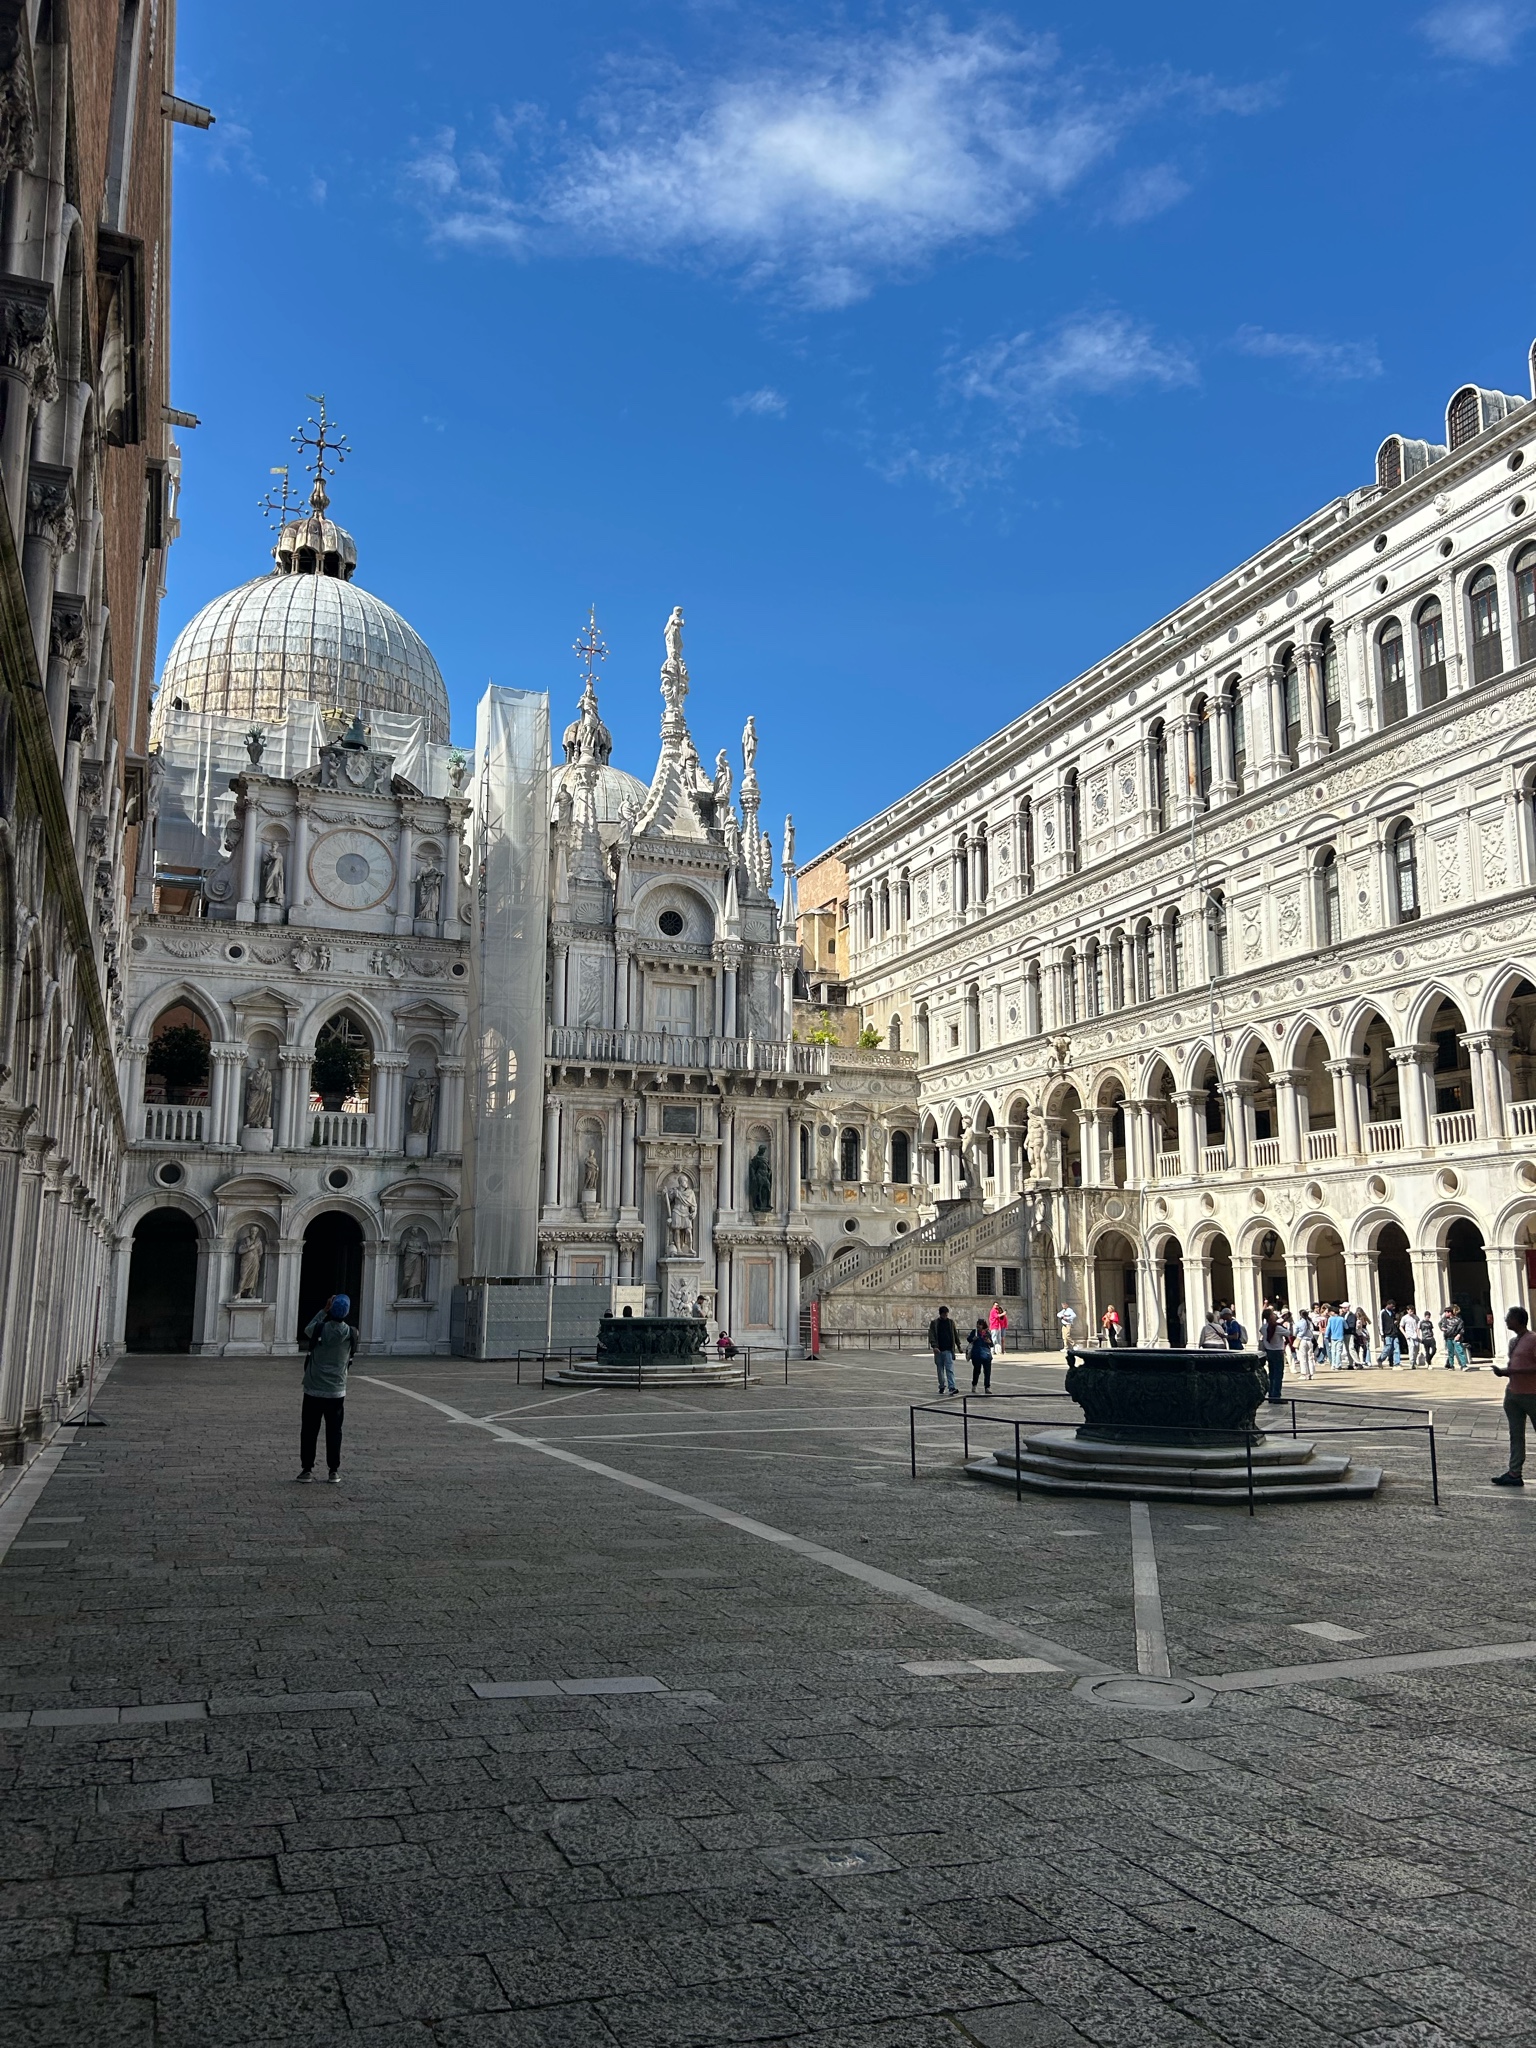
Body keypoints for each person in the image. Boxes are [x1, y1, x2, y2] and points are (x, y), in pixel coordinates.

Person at [296, 1293, 355, 1485]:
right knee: (334, 1431)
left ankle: (306, 1470)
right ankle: (333, 1470)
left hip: (313, 1388)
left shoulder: (319, 1329)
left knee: (309, 1430)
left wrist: (323, 1310)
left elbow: (307, 1329)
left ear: (331, 1309)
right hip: (337, 1390)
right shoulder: (352, 1333)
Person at [1490, 1306, 1536, 1486]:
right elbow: (1514, 1366)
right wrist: (1505, 1372)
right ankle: (1514, 1472)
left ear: (1518, 1320)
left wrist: (1514, 1370)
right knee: (1515, 1435)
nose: (1506, 1320)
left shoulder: (1533, 1339)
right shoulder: (1514, 1342)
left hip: (1532, 1394)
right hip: (1513, 1393)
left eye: (1509, 1317)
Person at [928, 1306, 960, 1396]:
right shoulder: (934, 1323)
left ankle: (951, 1387)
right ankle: (941, 1385)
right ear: (940, 1314)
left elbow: (955, 1334)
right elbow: (931, 1335)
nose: (945, 1316)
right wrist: (934, 1346)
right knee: (940, 1369)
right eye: (944, 1314)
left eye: (946, 1314)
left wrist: (958, 1345)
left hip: (948, 1349)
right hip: (938, 1350)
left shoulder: (950, 1322)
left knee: (950, 1369)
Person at [1259, 1302, 1286, 1404]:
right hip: (1277, 1352)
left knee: (1272, 1374)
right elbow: (1289, 1333)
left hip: (1269, 1352)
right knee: (1278, 1374)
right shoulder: (1277, 1328)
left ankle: (1271, 1394)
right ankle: (1276, 1395)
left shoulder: (1263, 1328)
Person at [968, 1318, 994, 1395]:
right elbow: (969, 1339)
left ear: (983, 1325)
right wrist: (973, 1339)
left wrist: (989, 1342)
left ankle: (987, 1387)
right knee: (977, 1370)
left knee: (987, 1371)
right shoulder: (974, 1332)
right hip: (976, 1354)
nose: (978, 1326)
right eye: (978, 1324)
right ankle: (974, 1385)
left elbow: (991, 1344)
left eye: (980, 1324)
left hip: (986, 1354)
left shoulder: (987, 1333)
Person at [1441, 1305, 1469, 1372]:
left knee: (1460, 1351)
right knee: (1450, 1352)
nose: (1445, 1314)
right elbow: (1441, 1325)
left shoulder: (1458, 1320)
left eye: (1446, 1312)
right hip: (1448, 1338)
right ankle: (1451, 1365)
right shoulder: (1445, 1320)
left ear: (1450, 1313)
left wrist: (1459, 1335)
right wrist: (1442, 1328)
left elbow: (1461, 1329)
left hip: (1455, 1337)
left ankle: (1463, 1365)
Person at [1293, 1306, 1317, 1382]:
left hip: (1302, 1340)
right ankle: (1311, 1374)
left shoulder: (1299, 1323)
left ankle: (1304, 1374)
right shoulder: (1309, 1322)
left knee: (1303, 1358)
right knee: (1310, 1357)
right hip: (1309, 1340)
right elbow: (1312, 1330)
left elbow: (1294, 1333)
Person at [1377, 1300, 1400, 1369]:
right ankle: (1380, 1359)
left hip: (1394, 1332)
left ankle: (1397, 1363)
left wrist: (1395, 1322)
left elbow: (1394, 1320)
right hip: (1387, 1333)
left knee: (1396, 1347)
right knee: (1388, 1347)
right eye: (1392, 1306)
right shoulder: (1382, 1312)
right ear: (1388, 1305)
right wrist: (1382, 1334)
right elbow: (1380, 1323)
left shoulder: (1393, 1313)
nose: (1393, 1308)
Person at [1325, 1303, 1347, 1372]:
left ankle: (1333, 1365)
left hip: (1333, 1337)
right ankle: (1338, 1365)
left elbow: (1328, 1328)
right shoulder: (1341, 1319)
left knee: (1333, 1351)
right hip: (1340, 1337)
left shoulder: (1330, 1319)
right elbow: (1346, 1327)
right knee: (1338, 1351)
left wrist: (1326, 1335)